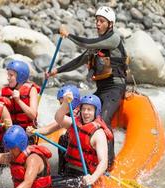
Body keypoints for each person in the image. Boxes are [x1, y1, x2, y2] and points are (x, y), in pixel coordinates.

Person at [47, 6, 128, 161]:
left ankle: (108, 162)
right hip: (102, 89)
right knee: (82, 116)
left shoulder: (113, 39)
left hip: (115, 88)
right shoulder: (97, 45)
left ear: (110, 24)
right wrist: (57, 71)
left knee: (103, 119)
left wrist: (69, 35)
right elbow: (80, 60)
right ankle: (80, 154)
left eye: (102, 21)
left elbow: (86, 43)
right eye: (97, 20)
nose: (98, 24)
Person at [53, 94, 113, 188]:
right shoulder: (75, 123)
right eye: (84, 109)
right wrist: (66, 104)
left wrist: (93, 178)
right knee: (42, 182)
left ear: (96, 112)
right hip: (69, 173)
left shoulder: (98, 134)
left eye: (89, 109)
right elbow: (58, 118)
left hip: (84, 177)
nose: (86, 112)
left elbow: (103, 162)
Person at [26, 84, 81, 175]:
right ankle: (62, 172)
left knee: (63, 139)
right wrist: (34, 131)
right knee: (64, 138)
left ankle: (64, 173)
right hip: (75, 153)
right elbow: (49, 129)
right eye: (60, 103)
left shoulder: (80, 116)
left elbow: (58, 120)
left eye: (62, 103)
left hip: (83, 156)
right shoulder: (68, 115)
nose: (60, 106)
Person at [0, 60, 40, 144]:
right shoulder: (5, 91)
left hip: (27, 133)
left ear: (20, 77)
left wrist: (18, 101)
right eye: (8, 75)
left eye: (11, 75)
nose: (8, 78)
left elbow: (33, 115)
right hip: (10, 133)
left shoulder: (31, 90)